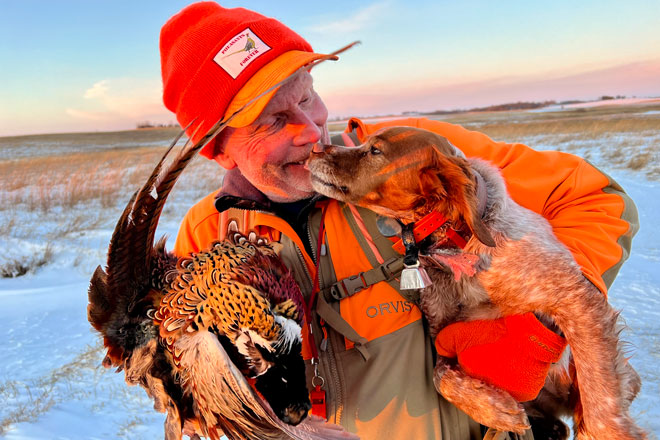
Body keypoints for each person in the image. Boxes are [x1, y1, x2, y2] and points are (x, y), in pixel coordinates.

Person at [159, 2, 639, 439]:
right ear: (218, 150)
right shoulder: (206, 240)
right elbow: (198, 398)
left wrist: (538, 320)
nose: (309, 130)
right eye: (271, 120)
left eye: (307, 98)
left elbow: (599, 200)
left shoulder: (411, 161)